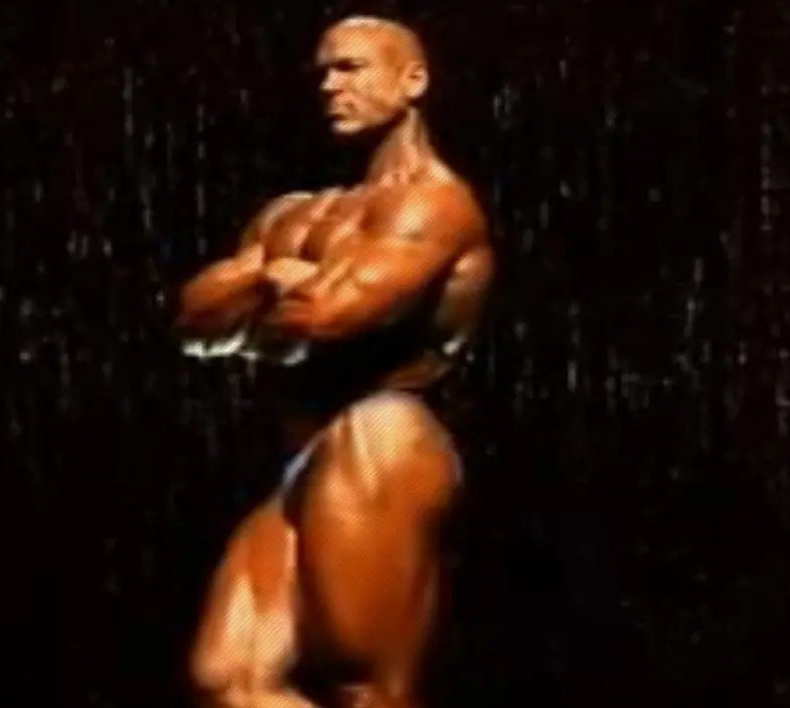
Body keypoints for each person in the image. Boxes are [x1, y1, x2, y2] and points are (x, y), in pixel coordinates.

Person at [175, 15, 495, 708]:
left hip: (380, 435)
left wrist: (262, 291)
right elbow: (193, 320)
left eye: (350, 68)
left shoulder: (435, 203)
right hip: (306, 455)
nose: (328, 85)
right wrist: (274, 277)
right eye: (322, 71)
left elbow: (328, 316)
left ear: (413, 81)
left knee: (364, 685)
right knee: (228, 683)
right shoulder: (294, 213)